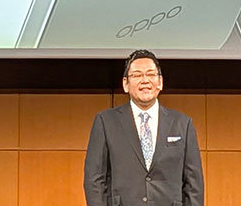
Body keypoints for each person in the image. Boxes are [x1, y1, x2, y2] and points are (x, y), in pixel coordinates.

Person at [83, 48, 203, 206]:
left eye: (151, 74)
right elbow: (94, 180)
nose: (145, 80)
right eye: (137, 75)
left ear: (160, 82)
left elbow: (194, 185)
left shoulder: (183, 124)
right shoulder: (105, 122)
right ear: (125, 84)